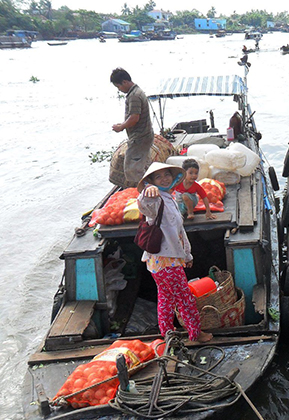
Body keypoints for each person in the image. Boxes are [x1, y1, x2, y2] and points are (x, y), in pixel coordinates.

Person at [137, 162, 214, 343]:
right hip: (166, 261)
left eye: (167, 175)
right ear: (151, 181)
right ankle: (196, 334)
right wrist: (147, 191)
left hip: (161, 261)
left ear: (173, 178)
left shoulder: (168, 197)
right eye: (158, 177)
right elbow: (144, 204)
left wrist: (187, 255)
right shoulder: (155, 199)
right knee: (184, 298)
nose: (164, 179)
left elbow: (179, 232)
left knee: (165, 298)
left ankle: (166, 333)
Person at [111, 68, 154, 187]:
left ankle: (146, 192)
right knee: (142, 166)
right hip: (144, 135)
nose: (119, 90)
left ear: (124, 82)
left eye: (118, 87)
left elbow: (134, 118)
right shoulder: (137, 92)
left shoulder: (134, 96)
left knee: (132, 170)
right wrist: (123, 124)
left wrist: (121, 127)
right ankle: (150, 188)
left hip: (139, 138)